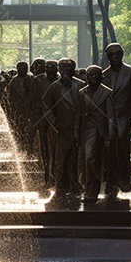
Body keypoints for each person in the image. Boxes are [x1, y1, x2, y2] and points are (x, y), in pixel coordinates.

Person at [102, 42, 131, 202]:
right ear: (108, 57)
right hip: (107, 118)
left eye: (118, 54)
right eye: (113, 55)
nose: (116, 57)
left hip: (124, 117)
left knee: (121, 148)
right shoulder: (104, 75)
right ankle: (111, 182)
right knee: (108, 150)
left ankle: (124, 181)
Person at [42, 58, 84, 208]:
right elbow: (46, 107)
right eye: (64, 69)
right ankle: (59, 185)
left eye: (69, 69)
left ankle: (75, 185)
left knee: (75, 159)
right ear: (60, 71)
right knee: (59, 159)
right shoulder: (54, 87)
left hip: (76, 127)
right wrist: (54, 122)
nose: (67, 72)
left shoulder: (80, 85)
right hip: (60, 129)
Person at [79, 65, 116, 209]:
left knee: (97, 161)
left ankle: (96, 188)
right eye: (90, 75)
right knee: (88, 160)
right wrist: (77, 133)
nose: (92, 78)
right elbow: (79, 115)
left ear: (101, 77)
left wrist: (111, 135)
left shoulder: (106, 93)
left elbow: (111, 116)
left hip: (101, 132)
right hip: (87, 131)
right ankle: (90, 189)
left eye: (95, 75)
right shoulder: (82, 93)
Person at [30, 59, 59, 192]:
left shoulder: (62, 80)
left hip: (60, 118)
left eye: (53, 66)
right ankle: (47, 175)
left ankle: (58, 175)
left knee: (58, 148)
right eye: (48, 66)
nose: (50, 68)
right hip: (42, 118)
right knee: (45, 147)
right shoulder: (37, 80)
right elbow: (32, 99)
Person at [6, 61, 34, 153]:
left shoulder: (32, 79)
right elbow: (9, 96)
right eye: (20, 68)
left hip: (30, 109)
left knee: (30, 130)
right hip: (18, 109)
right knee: (19, 129)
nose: (22, 70)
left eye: (24, 68)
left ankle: (30, 148)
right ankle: (20, 147)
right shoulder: (13, 82)